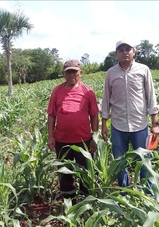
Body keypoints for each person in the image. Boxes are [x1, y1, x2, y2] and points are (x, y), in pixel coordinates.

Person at [101, 39, 159, 194]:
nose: (125, 52)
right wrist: (103, 124)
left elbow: (151, 96)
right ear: (116, 54)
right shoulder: (111, 73)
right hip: (117, 125)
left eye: (128, 49)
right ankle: (124, 194)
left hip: (140, 124)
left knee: (144, 162)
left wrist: (155, 123)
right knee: (120, 163)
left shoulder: (143, 70)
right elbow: (106, 99)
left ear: (134, 51)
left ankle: (147, 195)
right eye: (121, 50)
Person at [47, 59, 99, 201]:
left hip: (84, 141)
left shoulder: (88, 91)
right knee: (65, 173)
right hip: (62, 140)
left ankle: (85, 199)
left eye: (74, 71)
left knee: (86, 172)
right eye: (68, 71)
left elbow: (94, 115)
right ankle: (68, 200)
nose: (71, 74)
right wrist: (51, 137)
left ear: (80, 73)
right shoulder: (57, 91)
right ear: (63, 74)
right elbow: (51, 116)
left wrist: (95, 137)